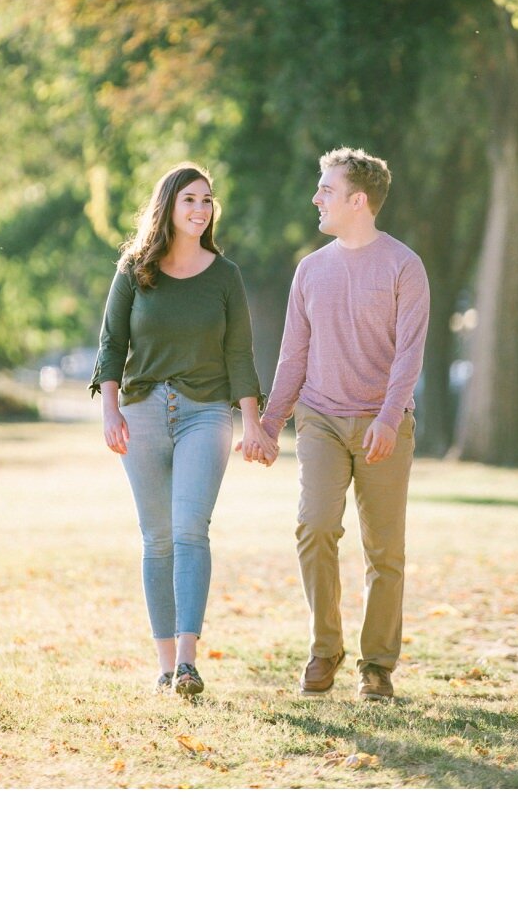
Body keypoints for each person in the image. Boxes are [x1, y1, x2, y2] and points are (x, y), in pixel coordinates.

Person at [256, 147, 430, 701]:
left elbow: (409, 353)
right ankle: (325, 648)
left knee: (384, 551)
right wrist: (268, 423)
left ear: (358, 200)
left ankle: (377, 665)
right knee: (314, 527)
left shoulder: (404, 265)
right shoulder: (310, 269)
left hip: (384, 426)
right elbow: (292, 355)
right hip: (322, 420)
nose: (316, 197)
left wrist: (388, 416)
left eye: (326, 189)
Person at [92, 163, 265, 697]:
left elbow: (239, 352)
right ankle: (165, 663)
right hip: (141, 411)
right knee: (157, 537)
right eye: (190, 199)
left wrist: (253, 422)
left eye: (207, 200)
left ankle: (188, 663)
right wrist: (110, 410)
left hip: (205, 411)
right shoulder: (134, 270)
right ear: (167, 206)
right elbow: (110, 343)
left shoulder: (225, 275)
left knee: (191, 529)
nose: (200, 209)